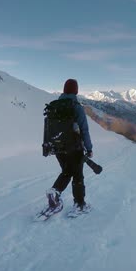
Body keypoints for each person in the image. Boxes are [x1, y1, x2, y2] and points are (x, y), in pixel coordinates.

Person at [46, 79, 93, 213]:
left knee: (67, 171)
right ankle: (80, 205)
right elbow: (84, 130)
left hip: (58, 147)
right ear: (76, 90)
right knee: (78, 175)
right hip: (75, 148)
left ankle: (55, 191)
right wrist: (89, 149)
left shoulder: (54, 105)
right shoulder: (76, 106)